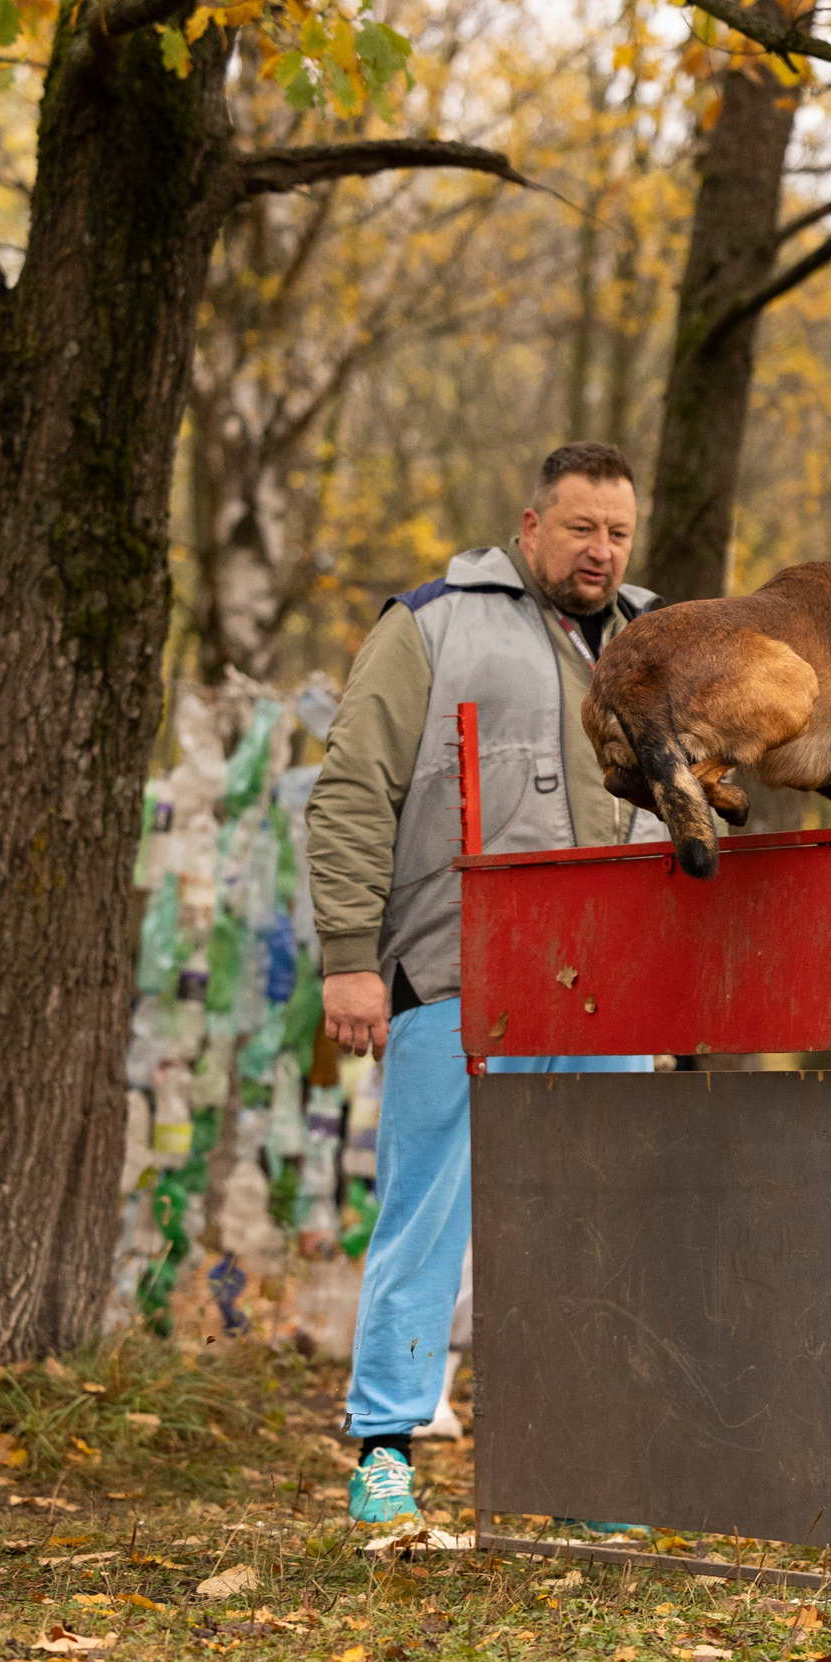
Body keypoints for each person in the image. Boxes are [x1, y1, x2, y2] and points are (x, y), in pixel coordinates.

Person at [308, 442, 660, 1525]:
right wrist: (350, 962)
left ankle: (584, 1461)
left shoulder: (662, 640)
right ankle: (385, 1456)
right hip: (459, 967)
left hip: (613, 981)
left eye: (617, 532)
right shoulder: (430, 623)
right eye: (581, 528)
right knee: (428, 1212)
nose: (599, 551)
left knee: (597, 1221)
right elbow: (352, 792)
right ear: (530, 525)